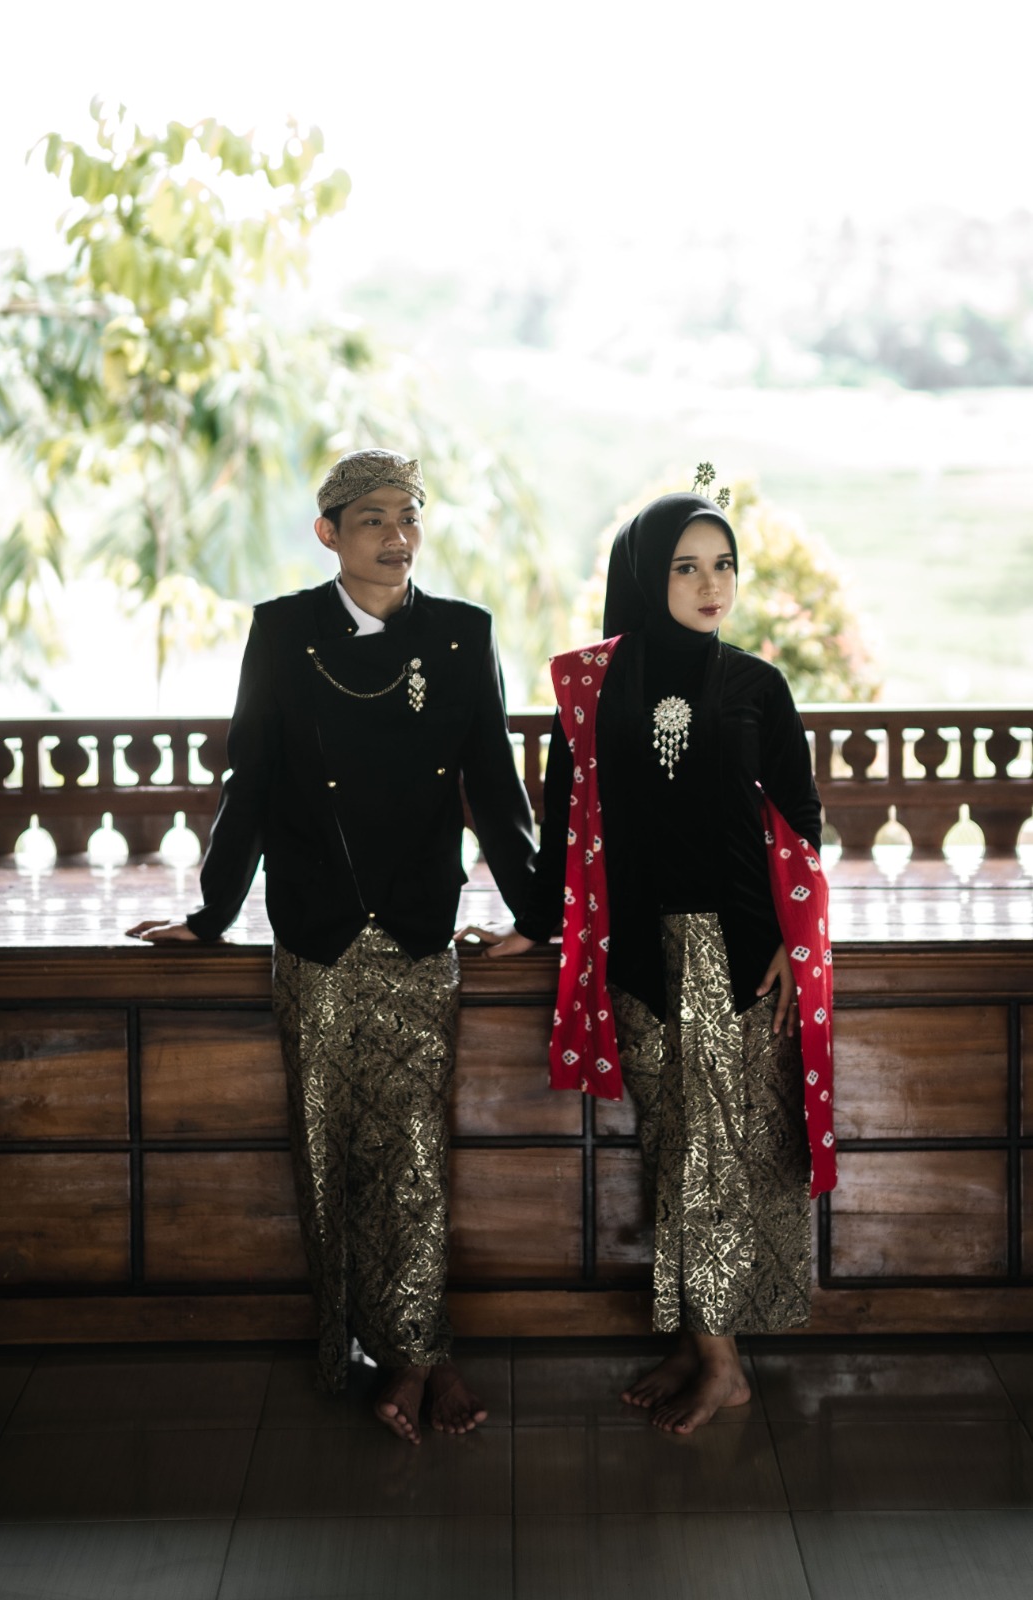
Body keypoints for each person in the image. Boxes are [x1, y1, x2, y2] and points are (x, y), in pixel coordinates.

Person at [128, 449, 536, 1444]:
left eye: (410, 516)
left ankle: (420, 1354)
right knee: (327, 1155)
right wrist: (212, 914)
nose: (397, 536)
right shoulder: (282, 631)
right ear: (329, 533)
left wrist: (538, 915)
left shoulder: (463, 633)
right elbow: (251, 781)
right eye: (373, 520)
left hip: (415, 929)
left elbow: (494, 784)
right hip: (315, 931)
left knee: (414, 1154)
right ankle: (356, 1344)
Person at [488, 489, 834, 1435]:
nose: (711, 585)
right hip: (637, 954)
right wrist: (533, 924)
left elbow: (801, 820)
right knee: (670, 1147)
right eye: (687, 567)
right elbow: (563, 821)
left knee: (713, 1157)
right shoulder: (592, 688)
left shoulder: (757, 685)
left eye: (723, 565)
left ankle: (724, 1367)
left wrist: (793, 942)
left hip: (735, 954)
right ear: (646, 576)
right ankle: (693, 1340)